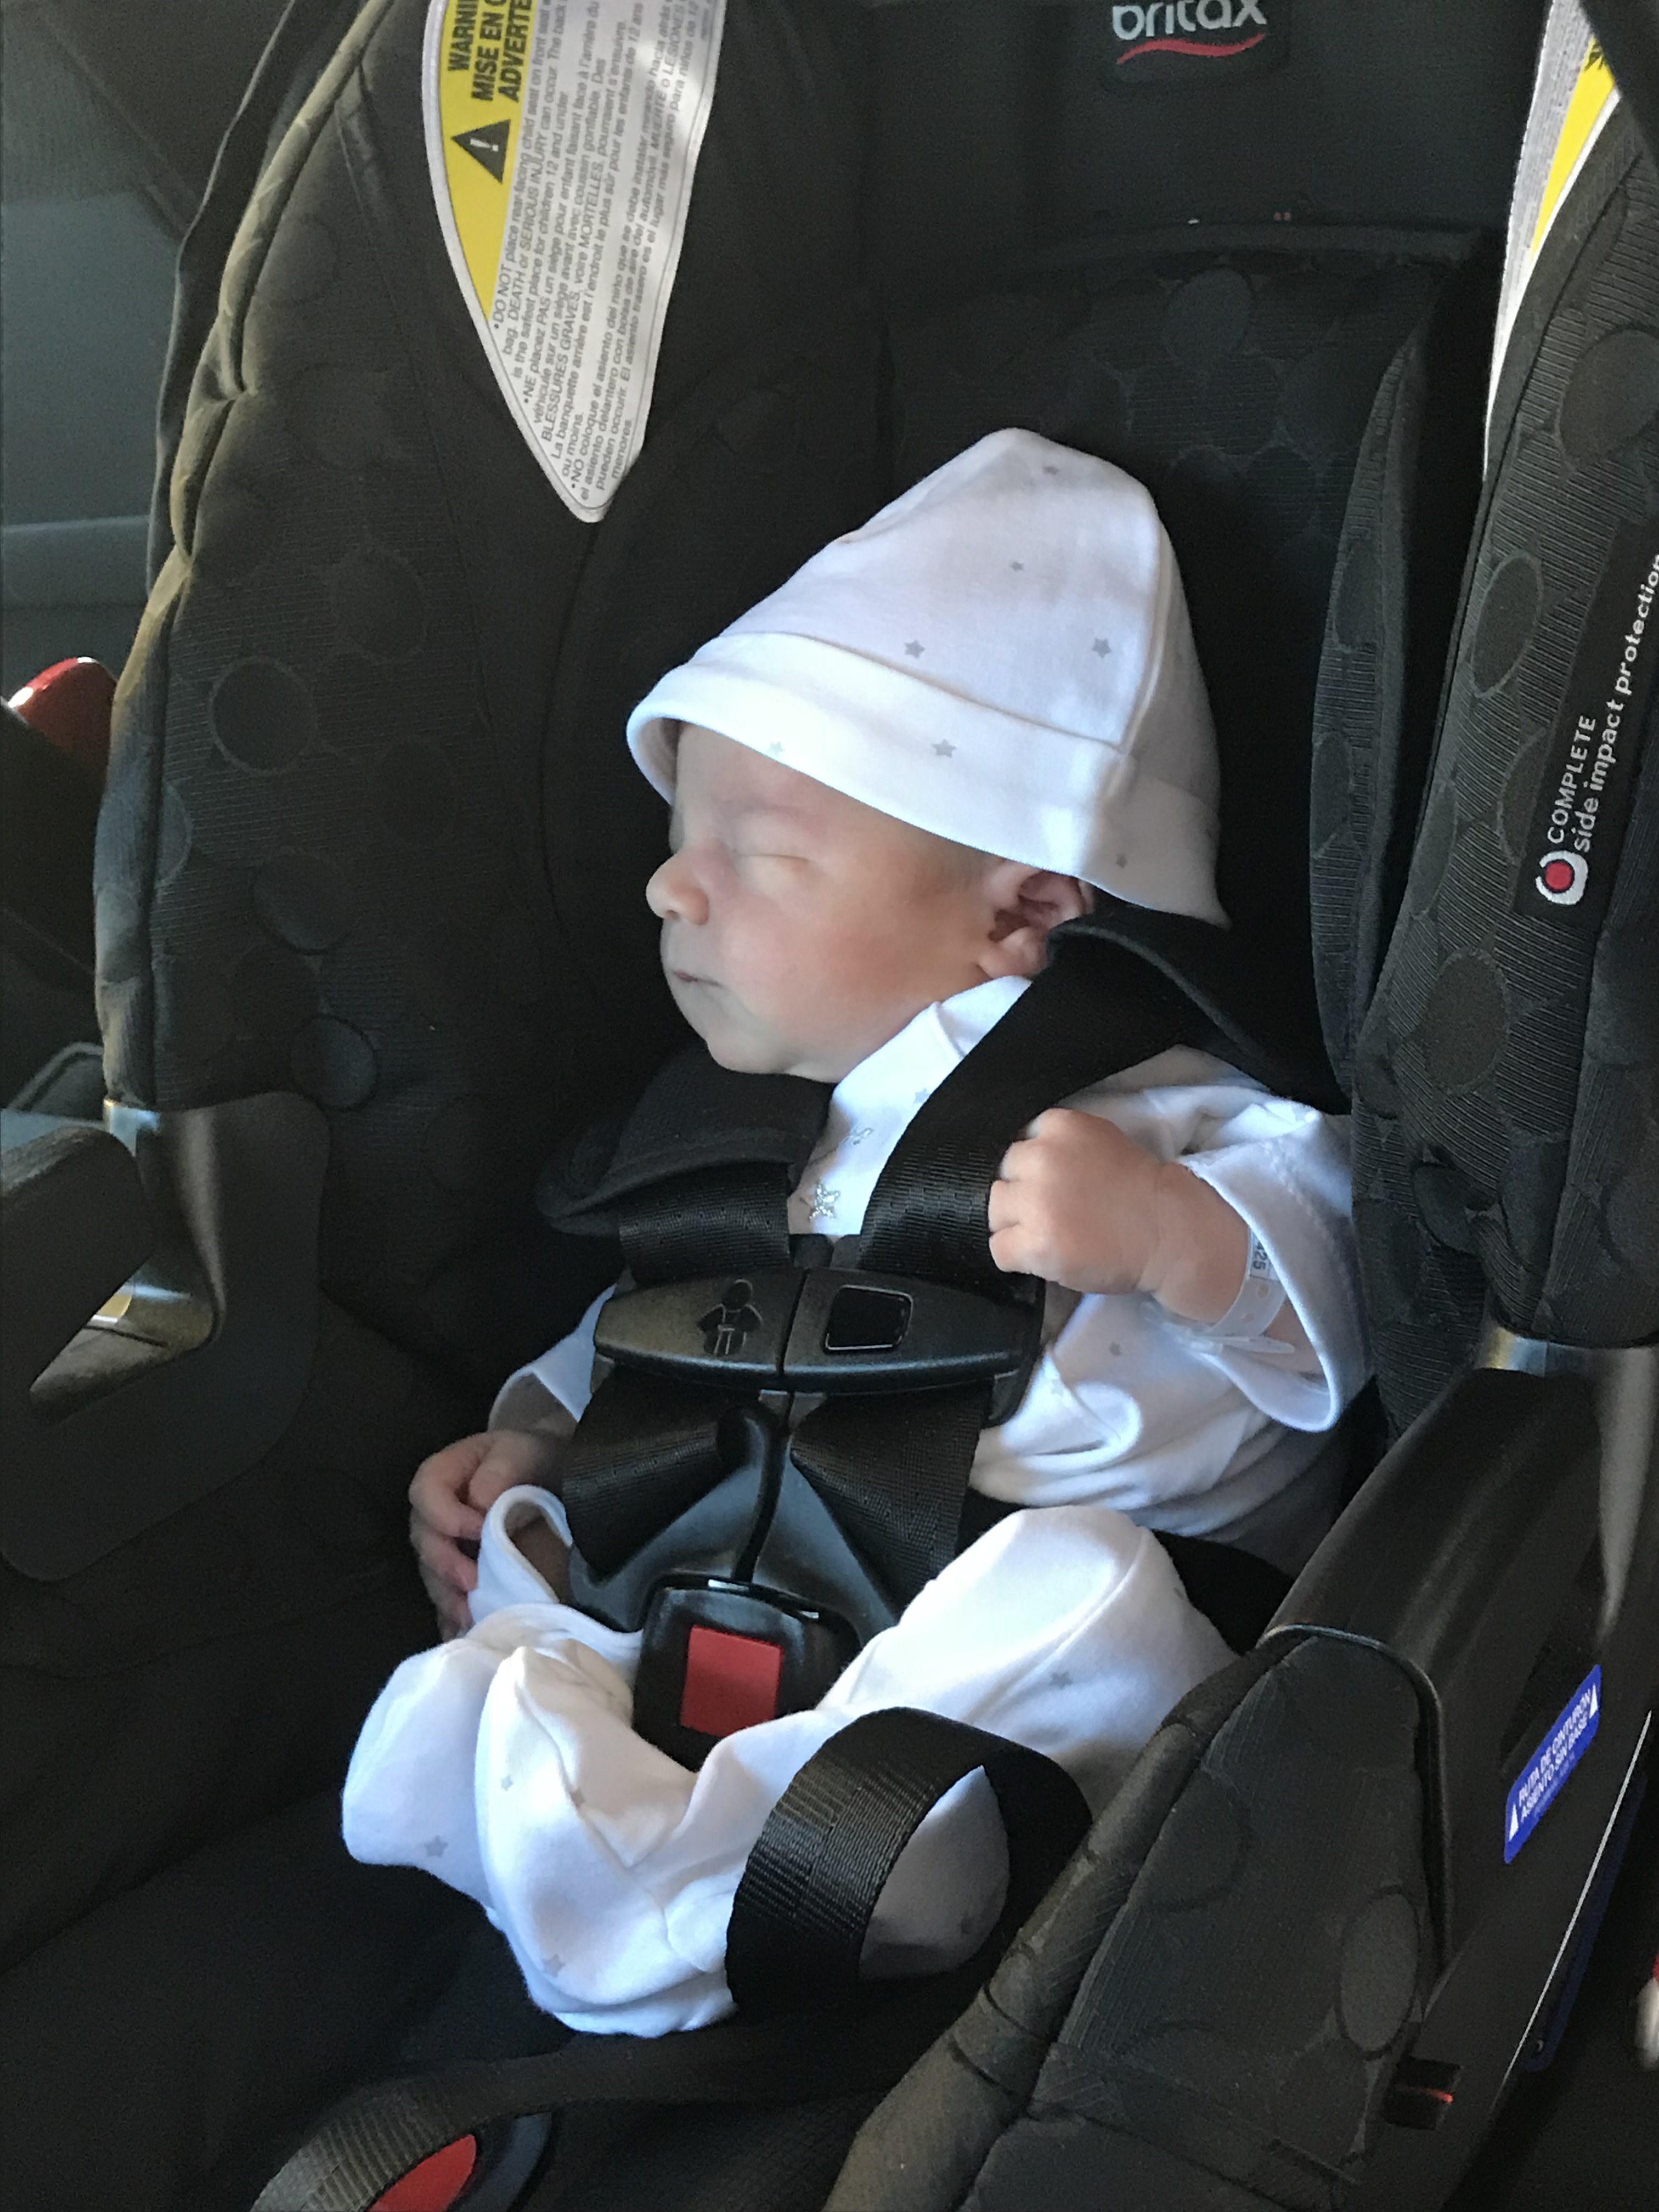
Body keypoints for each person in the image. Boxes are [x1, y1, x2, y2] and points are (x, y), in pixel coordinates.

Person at [342, 430, 1368, 2035]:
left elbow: (1355, 1306)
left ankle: (766, 1879)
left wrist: (1178, 1235)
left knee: (1081, 1594)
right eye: (677, 845)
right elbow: (669, 1329)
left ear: (1022, 910)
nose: (672, 893)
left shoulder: (1166, 1110)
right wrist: (540, 1443)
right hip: (739, 1580)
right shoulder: (725, 1139)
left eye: (754, 853)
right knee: (533, 1588)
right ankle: (604, 1813)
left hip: (1012, 1647)